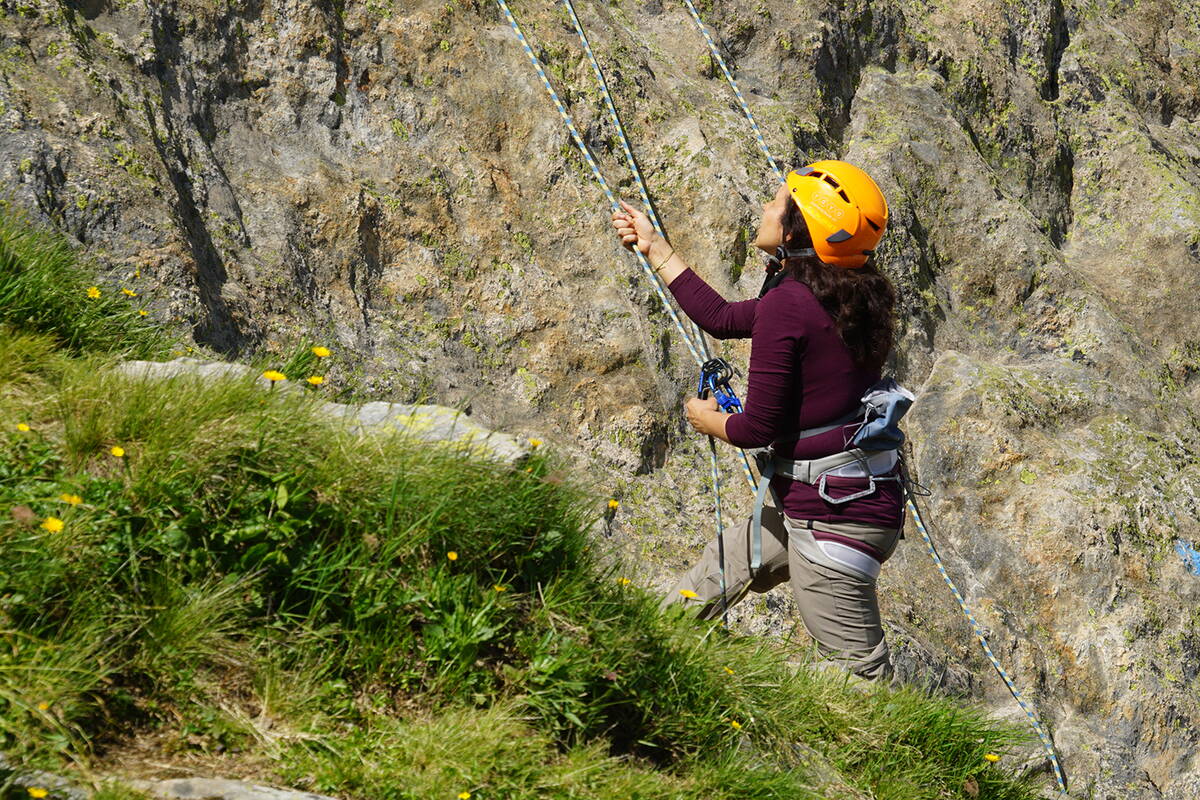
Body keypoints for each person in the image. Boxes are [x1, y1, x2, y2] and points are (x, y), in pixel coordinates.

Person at [610, 161, 903, 681]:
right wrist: (655, 247)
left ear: (796, 229)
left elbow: (755, 429)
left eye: (777, 203)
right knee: (721, 568)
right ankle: (632, 658)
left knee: (861, 675)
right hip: (841, 500)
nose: (766, 208)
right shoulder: (849, 290)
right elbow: (723, 319)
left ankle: (913, 753)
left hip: (829, 518)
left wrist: (707, 419)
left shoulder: (791, 304)